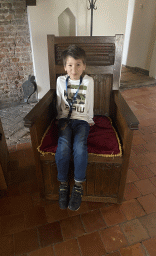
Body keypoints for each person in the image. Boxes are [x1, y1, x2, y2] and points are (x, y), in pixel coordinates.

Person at [55, 44, 94, 211]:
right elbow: (59, 102)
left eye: (78, 64)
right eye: (70, 65)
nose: (74, 69)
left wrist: (90, 119)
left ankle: (78, 186)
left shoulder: (88, 81)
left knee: (80, 147)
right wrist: (59, 119)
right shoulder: (60, 80)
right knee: (63, 146)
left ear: (84, 66)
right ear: (65, 67)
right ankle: (63, 184)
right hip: (65, 120)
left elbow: (90, 101)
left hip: (82, 121)